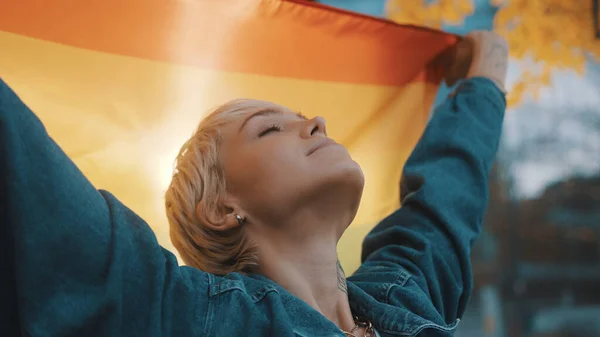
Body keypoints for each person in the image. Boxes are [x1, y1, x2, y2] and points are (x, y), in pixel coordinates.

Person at [0, 30, 508, 337]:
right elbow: (25, 168)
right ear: (221, 208)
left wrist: (486, 71)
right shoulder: (180, 311)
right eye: (269, 129)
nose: (318, 123)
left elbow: (446, 197)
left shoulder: (405, 296)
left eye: (304, 116)